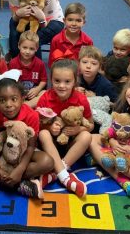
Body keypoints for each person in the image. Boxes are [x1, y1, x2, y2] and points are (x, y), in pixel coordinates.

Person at [0, 75, 54, 199]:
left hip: (23, 153)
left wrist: (20, 168)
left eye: (14, 99)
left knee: (48, 162)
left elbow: (31, 147)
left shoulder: (32, 115)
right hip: (1, 152)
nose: (8, 105)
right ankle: (18, 184)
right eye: (2, 100)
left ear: (22, 98)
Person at [37, 59, 94, 198]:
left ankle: (57, 173)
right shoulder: (45, 98)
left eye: (67, 82)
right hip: (51, 145)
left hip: (71, 145)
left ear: (75, 81)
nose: (62, 86)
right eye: (57, 81)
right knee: (43, 133)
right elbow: (37, 124)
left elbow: (91, 125)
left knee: (87, 136)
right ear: (51, 80)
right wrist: (49, 128)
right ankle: (65, 177)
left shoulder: (81, 99)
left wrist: (78, 130)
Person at [8, 31, 47, 108]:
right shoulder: (13, 63)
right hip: (18, 94)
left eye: (31, 49)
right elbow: (10, 82)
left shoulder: (40, 64)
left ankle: (23, 107)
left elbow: (44, 80)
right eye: (24, 47)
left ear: (36, 49)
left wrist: (37, 90)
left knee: (44, 93)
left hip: (33, 94)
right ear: (19, 46)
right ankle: (27, 107)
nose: (27, 52)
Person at [48, 2, 93, 68]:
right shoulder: (56, 40)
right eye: (70, 20)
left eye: (78, 20)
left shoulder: (88, 41)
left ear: (83, 23)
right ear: (64, 20)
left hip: (81, 75)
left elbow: (90, 62)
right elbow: (52, 63)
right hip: (62, 74)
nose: (74, 23)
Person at [102, 28, 130, 93]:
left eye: (122, 50)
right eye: (115, 48)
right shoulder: (111, 54)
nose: (118, 52)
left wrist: (129, 78)